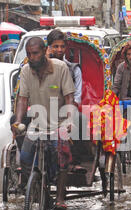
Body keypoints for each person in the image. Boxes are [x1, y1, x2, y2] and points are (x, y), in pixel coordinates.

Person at [12, 37, 75, 210]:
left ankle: (60, 197)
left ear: (44, 50)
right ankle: (41, 192)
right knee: (24, 158)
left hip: (59, 123)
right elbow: (23, 100)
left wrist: (69, 120)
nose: (32, 57)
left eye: (35, 53)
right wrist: (18, 121)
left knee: (63, 157)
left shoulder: (60, 68)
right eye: (29, 54)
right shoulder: (26, 71)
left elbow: (69, 97)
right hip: (36, 124)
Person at [46, 29, 86, 173]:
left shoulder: (74, 69)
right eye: (55, 46)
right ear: (49, 47)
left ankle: (75, 160)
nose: (59, 50)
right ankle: (25, 161)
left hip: (66, 109)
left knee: (80, 119)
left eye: (62, 46)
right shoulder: (39, 66)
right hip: (43, 108)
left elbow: (77, 96)